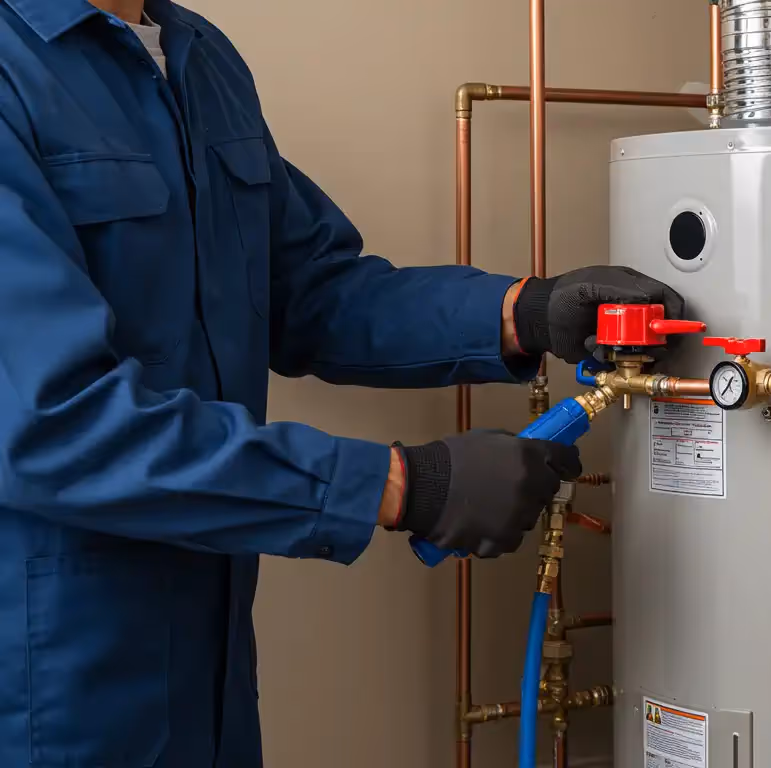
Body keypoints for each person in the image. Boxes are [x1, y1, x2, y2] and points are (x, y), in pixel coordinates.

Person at [0, 0, 687, 765]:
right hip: (55, 689)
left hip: (212, 663)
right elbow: (50, 424)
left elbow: (312, 290)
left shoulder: (200, 57)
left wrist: (521, 311)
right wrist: (400, 485)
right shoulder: (11, 66)